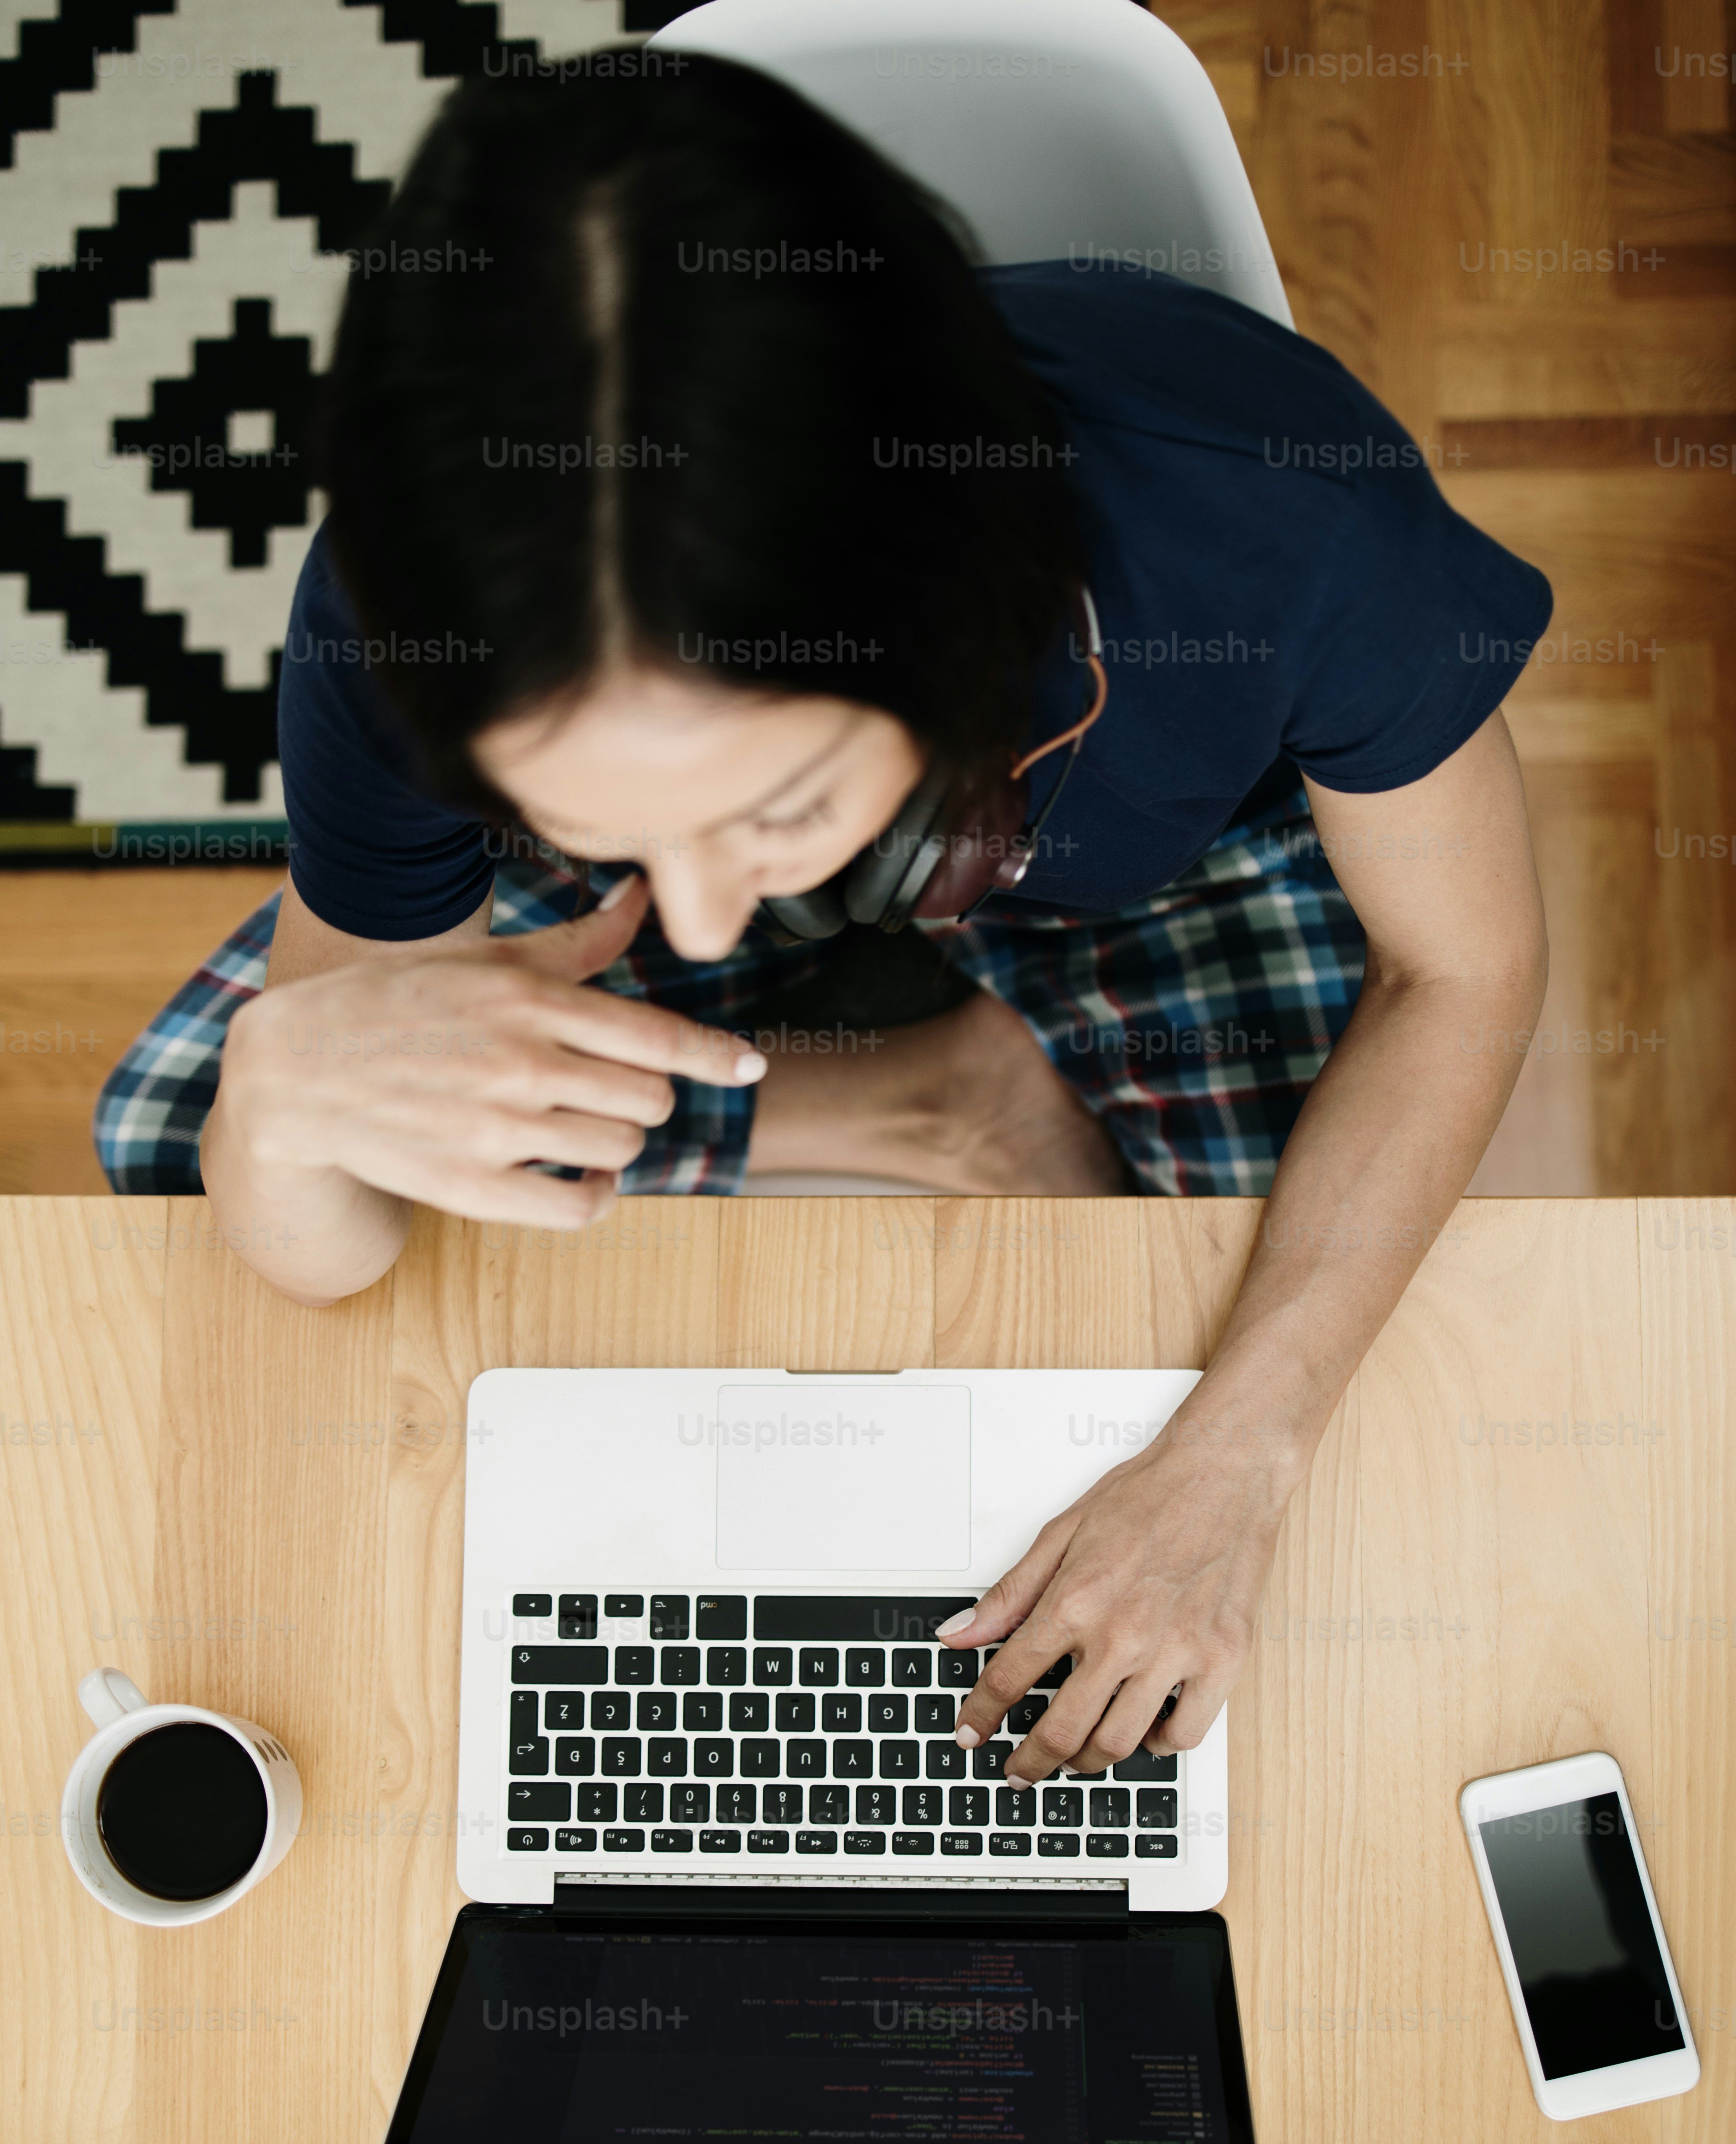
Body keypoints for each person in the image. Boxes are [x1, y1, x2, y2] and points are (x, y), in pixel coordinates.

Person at [97, 49, 1551, 1784]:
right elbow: (330, 1246)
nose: (706, 929)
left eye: (773, 807)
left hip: (1173, 867)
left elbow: (1459, 968)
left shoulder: (1279, 512)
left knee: (1321, 1448)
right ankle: (935, 1098)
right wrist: (284, 1093)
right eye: (596, 814)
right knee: (177, 1141)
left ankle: (923, 1071)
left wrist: (1230, 1457)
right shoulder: (405, 623)